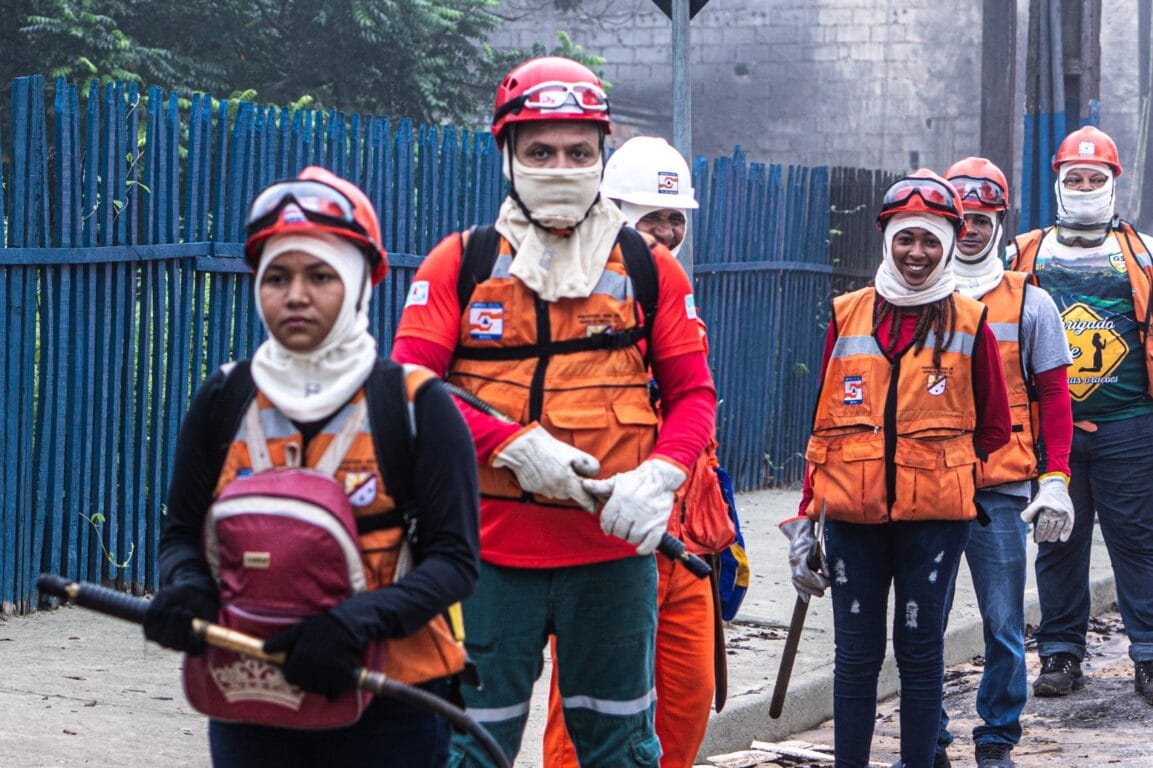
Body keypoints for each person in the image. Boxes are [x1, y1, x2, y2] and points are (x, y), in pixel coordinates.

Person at [391, 57, 717, 768]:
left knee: (620, 749)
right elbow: (408, 384)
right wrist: (510, 445)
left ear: (601, 155)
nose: (561, 167)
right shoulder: (460, 262)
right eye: (540, 151)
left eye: (578, 152)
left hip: (612, 557)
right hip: (484, 557)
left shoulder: (650, 270)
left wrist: (658, 476)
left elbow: (694, 396)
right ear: (506, 154)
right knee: (467, 748)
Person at [143, 166, 481, 766]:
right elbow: (181, 533)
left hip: (392, 703)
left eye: (319, 275)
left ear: (358, 284)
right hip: (251, 691)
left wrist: (355, 624)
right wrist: (188, 588)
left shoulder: (415, 406)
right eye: (277, 276)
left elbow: (454, 562)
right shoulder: (224, 400)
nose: (295, 294)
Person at [781, 169, 1011, 768]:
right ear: (887, 240)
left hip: (933, 525)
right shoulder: (848, 315)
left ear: (947, 244)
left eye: (931, 240)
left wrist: (939, 473)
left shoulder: (970, 321)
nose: (917, 253)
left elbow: (993, 427)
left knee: (919, 653)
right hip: (853, 522)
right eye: (906, 239)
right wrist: (807, 518)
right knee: (855, 658)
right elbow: (824, 427)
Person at [540, 135, 722, 768]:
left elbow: (697, 416)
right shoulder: (575, 307)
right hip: (606, 542)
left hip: (685, 544)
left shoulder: (677, 303)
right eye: (653, 219)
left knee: (687, 704)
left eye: (675, 219)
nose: (667, 232)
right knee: (584, 717)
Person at [1006, 124, 1153, 707]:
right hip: (1050, 429)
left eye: (1097, 178)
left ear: (1114, 182)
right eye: (1076, 178)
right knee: (1057, 540)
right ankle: (1060, 653)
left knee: (1138, 541)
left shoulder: (1143, 252)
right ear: (1059, 183)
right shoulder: (1024, 250)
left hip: (1130, 426)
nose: (1086, 186)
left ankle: (1147, 655)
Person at [934, 157, 1073, 768]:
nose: (970, 229)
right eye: (960, 218)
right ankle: (927, 735)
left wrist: (1057, 477)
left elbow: (1055, 396)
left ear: (999, 222)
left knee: (1003, 624)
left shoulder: (1031, 303)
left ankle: (996, 739)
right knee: (922, 625)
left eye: (982, 219)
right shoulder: (914, 293)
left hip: (1002, 486)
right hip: (929, 486)